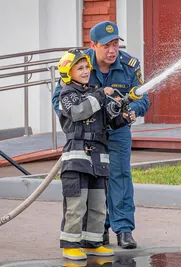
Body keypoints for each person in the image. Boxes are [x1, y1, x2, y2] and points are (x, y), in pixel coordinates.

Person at [52, 21, 150, 249]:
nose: (113, 50)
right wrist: (73, 125)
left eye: (115, 44)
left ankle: (124, 230)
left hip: (117, 131)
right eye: (106, 45)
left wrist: (131, 112)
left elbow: (143, 98)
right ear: (93, 45)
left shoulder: (129, 65)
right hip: (87, 135)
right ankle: (98, 231)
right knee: (93, 180)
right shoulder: (79, 64)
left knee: (120, 176)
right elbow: (60, 98)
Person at [57, 48, 135, 260]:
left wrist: (124, 118)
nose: (85, 71)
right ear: (67, 73)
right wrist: (101, 94)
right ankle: (70, 245)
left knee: (98, 204)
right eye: (79, 68)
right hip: (77, 159)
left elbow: (108, 122)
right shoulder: (67, 94)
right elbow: (77, 112)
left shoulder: (93, 92)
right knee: (76, 204)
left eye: (86, 67)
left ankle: (92, 242)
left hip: (98, 159)